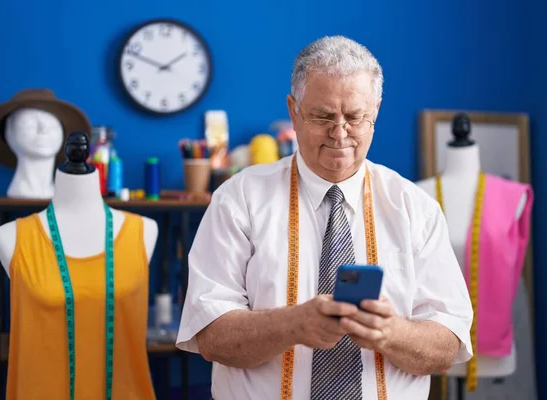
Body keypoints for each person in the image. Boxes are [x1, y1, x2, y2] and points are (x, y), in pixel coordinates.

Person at [176, 35, 473, 399]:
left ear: (376, 111)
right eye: (323, 116)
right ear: (293, 110)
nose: (339, 133)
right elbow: (210, 336)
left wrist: (390, 333)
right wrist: (293, 325)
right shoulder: (238, 200)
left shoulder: (415, 208)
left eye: (355, 117)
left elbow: (448, 346)